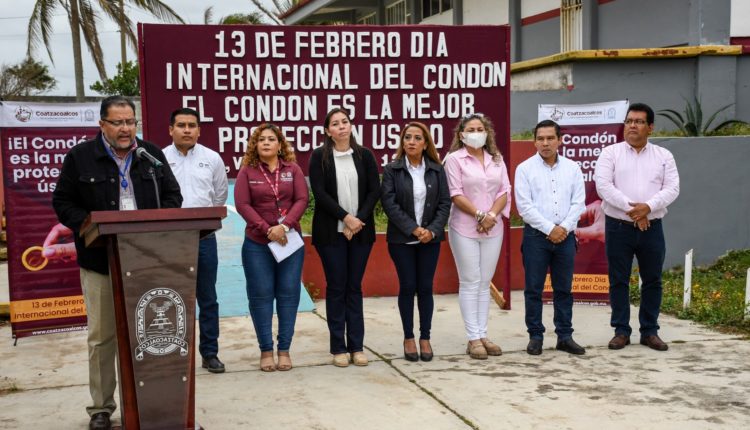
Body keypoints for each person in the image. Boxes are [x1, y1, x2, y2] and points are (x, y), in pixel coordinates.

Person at [52, 96, 182, 430]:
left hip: (147, 259)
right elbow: (62, 201)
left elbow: (173, 196)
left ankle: (151, 401)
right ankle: (101, 408)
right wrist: (86, 225)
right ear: (102, 125)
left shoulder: (150, 155)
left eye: (130, 122)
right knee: (102, 337)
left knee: (151, 332)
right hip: (100, 261)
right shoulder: (81, 157)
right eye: (118, 122)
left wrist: (160, 226)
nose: (126, 129)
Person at [594, 102, 680, 352]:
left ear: (650, 127)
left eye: (639, 122)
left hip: (651, 227)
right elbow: (604, 187)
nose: (632, 126)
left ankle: (649, 331)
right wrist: (635, 211)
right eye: (629, 121)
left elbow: (672, 188)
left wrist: (648, 208)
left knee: (652, 280)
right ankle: (621, 331)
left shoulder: (664, 156)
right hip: (618, 227)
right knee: (618, 280)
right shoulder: (610, 153)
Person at [309, 108, 380, 368]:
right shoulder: (319, 156)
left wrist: (357, 219)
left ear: (351, 126)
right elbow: (320, 193)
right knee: (337, 287)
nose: (341, 126)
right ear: (328, 131)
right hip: (331, 233)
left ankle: (357, 347)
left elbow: (374, 191)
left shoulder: (364, 155)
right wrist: (345, 218)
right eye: (335, 124)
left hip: (360, 231)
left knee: (354, 287)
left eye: (345, 122)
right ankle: (338, 347)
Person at [234, 123, 309, 372]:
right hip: (257, 244)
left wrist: (284, 226)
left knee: (288, 294)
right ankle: (266, 350)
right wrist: (268, 229)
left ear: (280, 145)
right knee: (261, 295)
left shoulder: (293, 169)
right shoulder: (247, 172)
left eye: (271, 139)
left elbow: (302, 199)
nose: (266, 142)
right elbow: (243, 204)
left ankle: (284, 349)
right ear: (255, 145)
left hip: (290, 243)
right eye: (261, 139)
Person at [163, 107, 229, 373]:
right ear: (171, 130)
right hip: (170, 239)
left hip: (204, 238)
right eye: (181, 125)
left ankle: (210, 353)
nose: (187, 130)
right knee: (171, 298)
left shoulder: (212, 158)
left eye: (192, 125)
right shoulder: (159, 158)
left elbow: (220, 195)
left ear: (199, 131)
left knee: (208, 298)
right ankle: (173, 354)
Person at [514, 120, 586, 356]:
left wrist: (563, 228)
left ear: (559, 140)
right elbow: (524, 207)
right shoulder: (524, 169)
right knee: (534, 289)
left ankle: (565, 336)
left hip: (565, 237)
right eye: (540, 139)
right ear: (534, 141)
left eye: (550, 138)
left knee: (563, 289)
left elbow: (578, 203)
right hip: (536, 237)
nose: (545, 143)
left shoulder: (573, 168)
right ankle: (535, 336)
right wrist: (549, 229)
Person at [381, 122, 451, 362]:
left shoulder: (436, 170)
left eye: (417, 138)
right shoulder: (392, 170)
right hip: (402, 240)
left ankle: (425, 337)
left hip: (430, 239)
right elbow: (389, 204)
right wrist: (414, 229)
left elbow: (445, 203)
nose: (411, 141)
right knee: (408, 285)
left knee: (425, 287)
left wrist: (432, 231)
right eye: (407, 137)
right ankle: (409, 337)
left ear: (425, 143)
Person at [443, 113, 511, 360]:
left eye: (479, 128)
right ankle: (473, 338)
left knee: (484, 282)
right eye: (470, 129)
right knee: (470, 281)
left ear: (487, 132)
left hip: (493, 227)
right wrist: (480, 215)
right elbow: (455, 193)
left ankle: (483, 334)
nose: (476, 133)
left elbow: (505, 190)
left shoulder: (496, 159)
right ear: (461, 135)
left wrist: (491, 215)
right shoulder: (454, 159)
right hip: (464, 228)